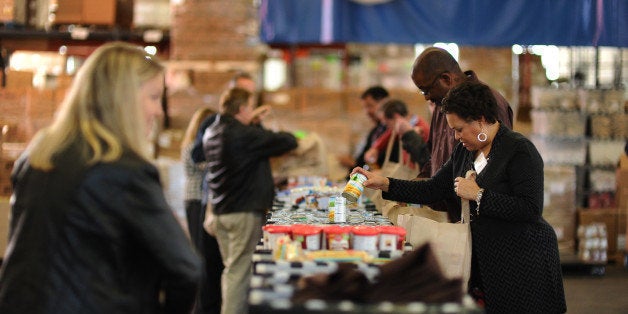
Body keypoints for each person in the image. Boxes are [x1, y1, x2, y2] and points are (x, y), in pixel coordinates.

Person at [0, 42, 202, 313]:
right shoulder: (124, 171)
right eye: (153, 97)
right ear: (124, 98)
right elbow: (186, 269)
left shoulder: (36, 158)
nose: (159, 111)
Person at [351, 81, 566, 313]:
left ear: (481, 119)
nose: (455, 135)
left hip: (524, 264)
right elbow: (433, 189)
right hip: (488, 263)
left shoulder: (519, 150)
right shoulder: (465, 150)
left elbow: (530, 208)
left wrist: (479, 195)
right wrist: (384, 183)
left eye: (459, 129)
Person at [193, 87, 297, 314]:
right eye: (250, 106)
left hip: (221, 211)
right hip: (243, 212)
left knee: (231, 270)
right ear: (242, 108)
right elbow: (287, 141)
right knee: (239, 273)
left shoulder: (212, 131)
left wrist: (252, 122)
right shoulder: (243, 134)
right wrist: (257, 124)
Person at [410, 47, 514, 221]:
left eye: (426, 90)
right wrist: (419, 186)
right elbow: (434, 156)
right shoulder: (441, 104)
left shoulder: (490, 103)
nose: (426, 97)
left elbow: (496, 171)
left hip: (478, 221)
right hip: (449, 216)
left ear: (446, 79)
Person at [181, 107, 222, 314]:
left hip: (196, 201)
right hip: (196, 201)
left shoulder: (193, 145)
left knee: (204, 255)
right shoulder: (194, 149)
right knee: (201, 256)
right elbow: (209, 167)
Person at [364, 98, 430, 168]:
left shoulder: (421, 129)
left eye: (387, 123)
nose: (388, 127)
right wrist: (376, 148)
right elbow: (389, 133)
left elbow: (424, 159)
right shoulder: (404, 126)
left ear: (396, 117)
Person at [337, 86, 389, 170]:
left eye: (370, 106)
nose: (367, 112)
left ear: (384, 103)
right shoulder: (374, 132)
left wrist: (352, 163)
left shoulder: (392, 132)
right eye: (365, 107)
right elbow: (361, 161)